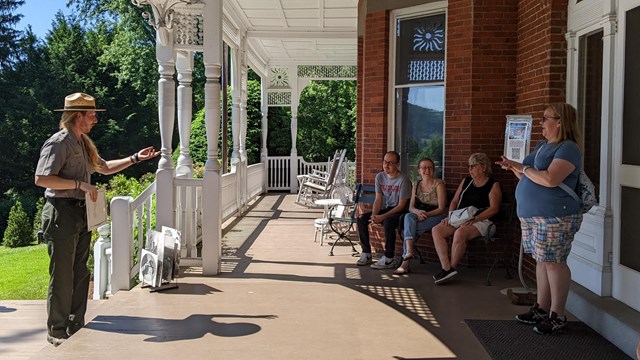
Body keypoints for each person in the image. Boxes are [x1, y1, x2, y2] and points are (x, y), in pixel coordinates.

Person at [35, 93, 160, 346]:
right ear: (77, 116)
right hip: (61, 212)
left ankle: (75, 323)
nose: (95, 119)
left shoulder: (82, 143)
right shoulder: (58, 143)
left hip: (81, 213)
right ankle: (56, 330)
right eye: (91, 114)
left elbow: (104, 168)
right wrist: (80, 184)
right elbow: (42, 179)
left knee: (80, 271)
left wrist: (135, 158)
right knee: (62, 274)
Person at [496, 103, 583, 335]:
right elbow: (528, 172)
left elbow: (550, 179)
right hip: (533, 215)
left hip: (556, 215)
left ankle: (558, 314)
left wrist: (523, 169)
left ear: (560, 122)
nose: (541, 123)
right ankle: (541, 308)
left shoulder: (568, 148)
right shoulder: (543, 145)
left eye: (545, 118)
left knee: (554, 262)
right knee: (542, 261)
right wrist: (513, 167)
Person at [431, 153, 502, 284]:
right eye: (469, 166)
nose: (470, 169)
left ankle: (451, 268)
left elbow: (494, 208)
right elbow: (454, 201)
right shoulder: (467, 181)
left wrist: (476, 219)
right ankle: (446, 268)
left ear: (484, 167)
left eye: (473, 166)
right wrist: (450, 216)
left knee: (460, 233)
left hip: (483, 221)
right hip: (461, 217)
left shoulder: (493, 184)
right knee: (437, 230)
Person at [356, 151, 412, 269]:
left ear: (397, 164)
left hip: (402, 213)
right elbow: (378, 199)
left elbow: (402, 206)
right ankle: (366, 253)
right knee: (361, 218)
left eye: (391, 163)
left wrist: (383, 216)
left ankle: (389, 258)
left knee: (388, 221)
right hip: (389, 209)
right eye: (385, 162)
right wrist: (374, 216)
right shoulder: (380, 177)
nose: (386, 165)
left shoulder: (403, 180)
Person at [394, 158, 447, 275]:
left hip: (435, 216)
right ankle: (409, 251)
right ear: (418, 170)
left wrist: (426, 214)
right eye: (424, 168)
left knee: (410, 228)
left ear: (433, 170)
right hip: (419, 215)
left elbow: (441, 208)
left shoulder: (439, 184)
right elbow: (411, 207)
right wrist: (418, 213)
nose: (427, 170)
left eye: (430, 168)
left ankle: (406, 262)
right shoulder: (416, 184)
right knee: (408, 217)